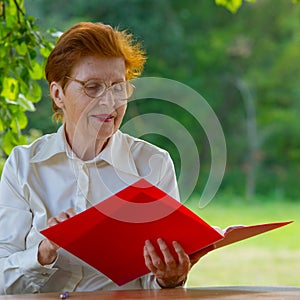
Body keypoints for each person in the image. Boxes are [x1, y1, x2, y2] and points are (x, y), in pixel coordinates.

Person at [0, 22, 211, 295]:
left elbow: (154, 284)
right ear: (58, 94)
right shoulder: (23, 166)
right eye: (92, 87)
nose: (109, 102)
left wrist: (169, 278)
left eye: (118, 87)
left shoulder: (153, 165)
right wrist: (45, 250)